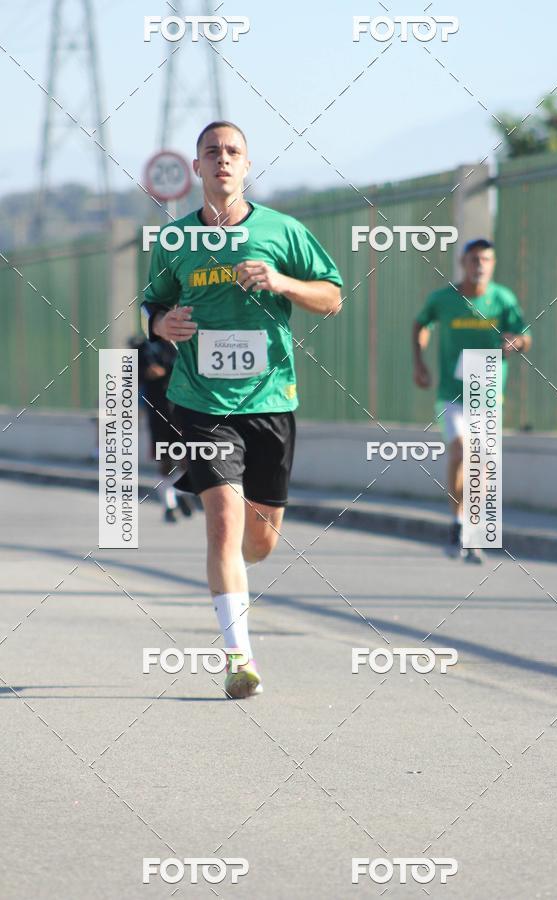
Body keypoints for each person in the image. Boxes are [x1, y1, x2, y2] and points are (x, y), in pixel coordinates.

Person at [141, 121, 342, 697]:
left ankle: (235, 579)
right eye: (212, 153)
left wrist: (281, 282)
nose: (223, 161)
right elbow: (153, 304)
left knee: (259, 543)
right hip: (200, 401)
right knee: (223, 524)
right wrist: (161, 323)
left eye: (233, 152)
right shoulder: (174, 240)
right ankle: (239, 659)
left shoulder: (284, 231)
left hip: (271, 401)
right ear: (198, 169)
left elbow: (331, 297)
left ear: (247, 166)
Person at [412, 238, 531, 562]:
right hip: (451, 393)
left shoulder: (503, 300)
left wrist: (514, 342)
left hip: (486, 393)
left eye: (486, 260)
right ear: (463, 262)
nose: (480, 265)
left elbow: (524, 337)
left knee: (479, 466)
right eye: (474, 259)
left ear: (492, 264)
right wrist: (419, 362)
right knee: (460, 450)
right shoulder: (443, 299)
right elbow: (420, 324)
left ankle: (469, 528)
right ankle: (456, 521)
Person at [131, 335, 194, 523]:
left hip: (183, 410)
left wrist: (166, 370)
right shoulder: (145, 347)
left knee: (186, 459)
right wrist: (145, 372)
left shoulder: (185, 343)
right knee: (164, 460)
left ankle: (180, 492)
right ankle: (169, 504)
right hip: (157, 412)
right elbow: (131, 374)